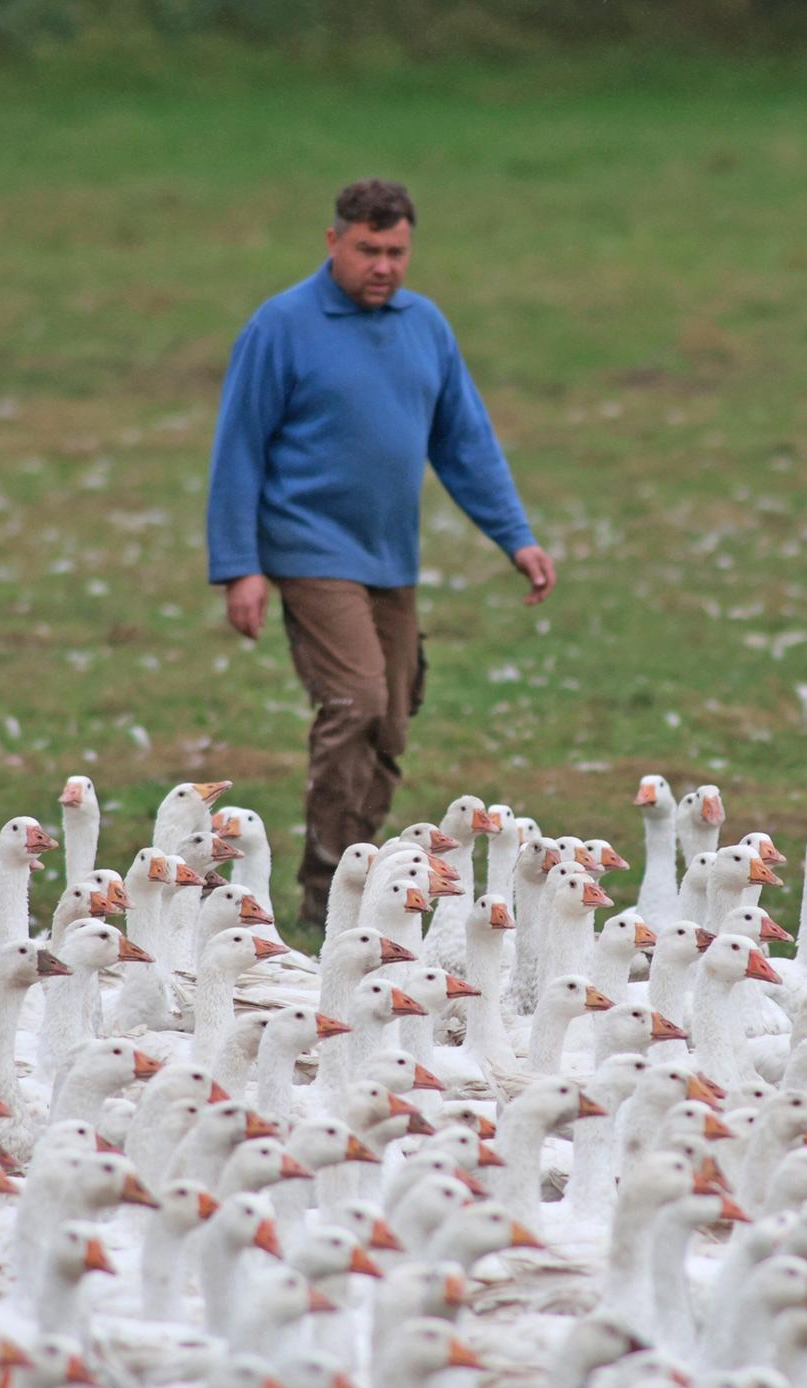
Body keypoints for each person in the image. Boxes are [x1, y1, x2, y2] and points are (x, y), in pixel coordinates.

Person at [206, 178, 555, 931]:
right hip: (307, 548)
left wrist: (516, 536)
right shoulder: (281, 326)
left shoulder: (424, 326)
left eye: (397, 251)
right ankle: (325, 892)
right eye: (368, 249)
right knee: (356, 700)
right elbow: (238, 447)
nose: (383, 266)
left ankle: (356, 877)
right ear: (333, 242)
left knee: (392, 721)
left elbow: (465, 442)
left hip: (389, 555)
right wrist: (239, 566)